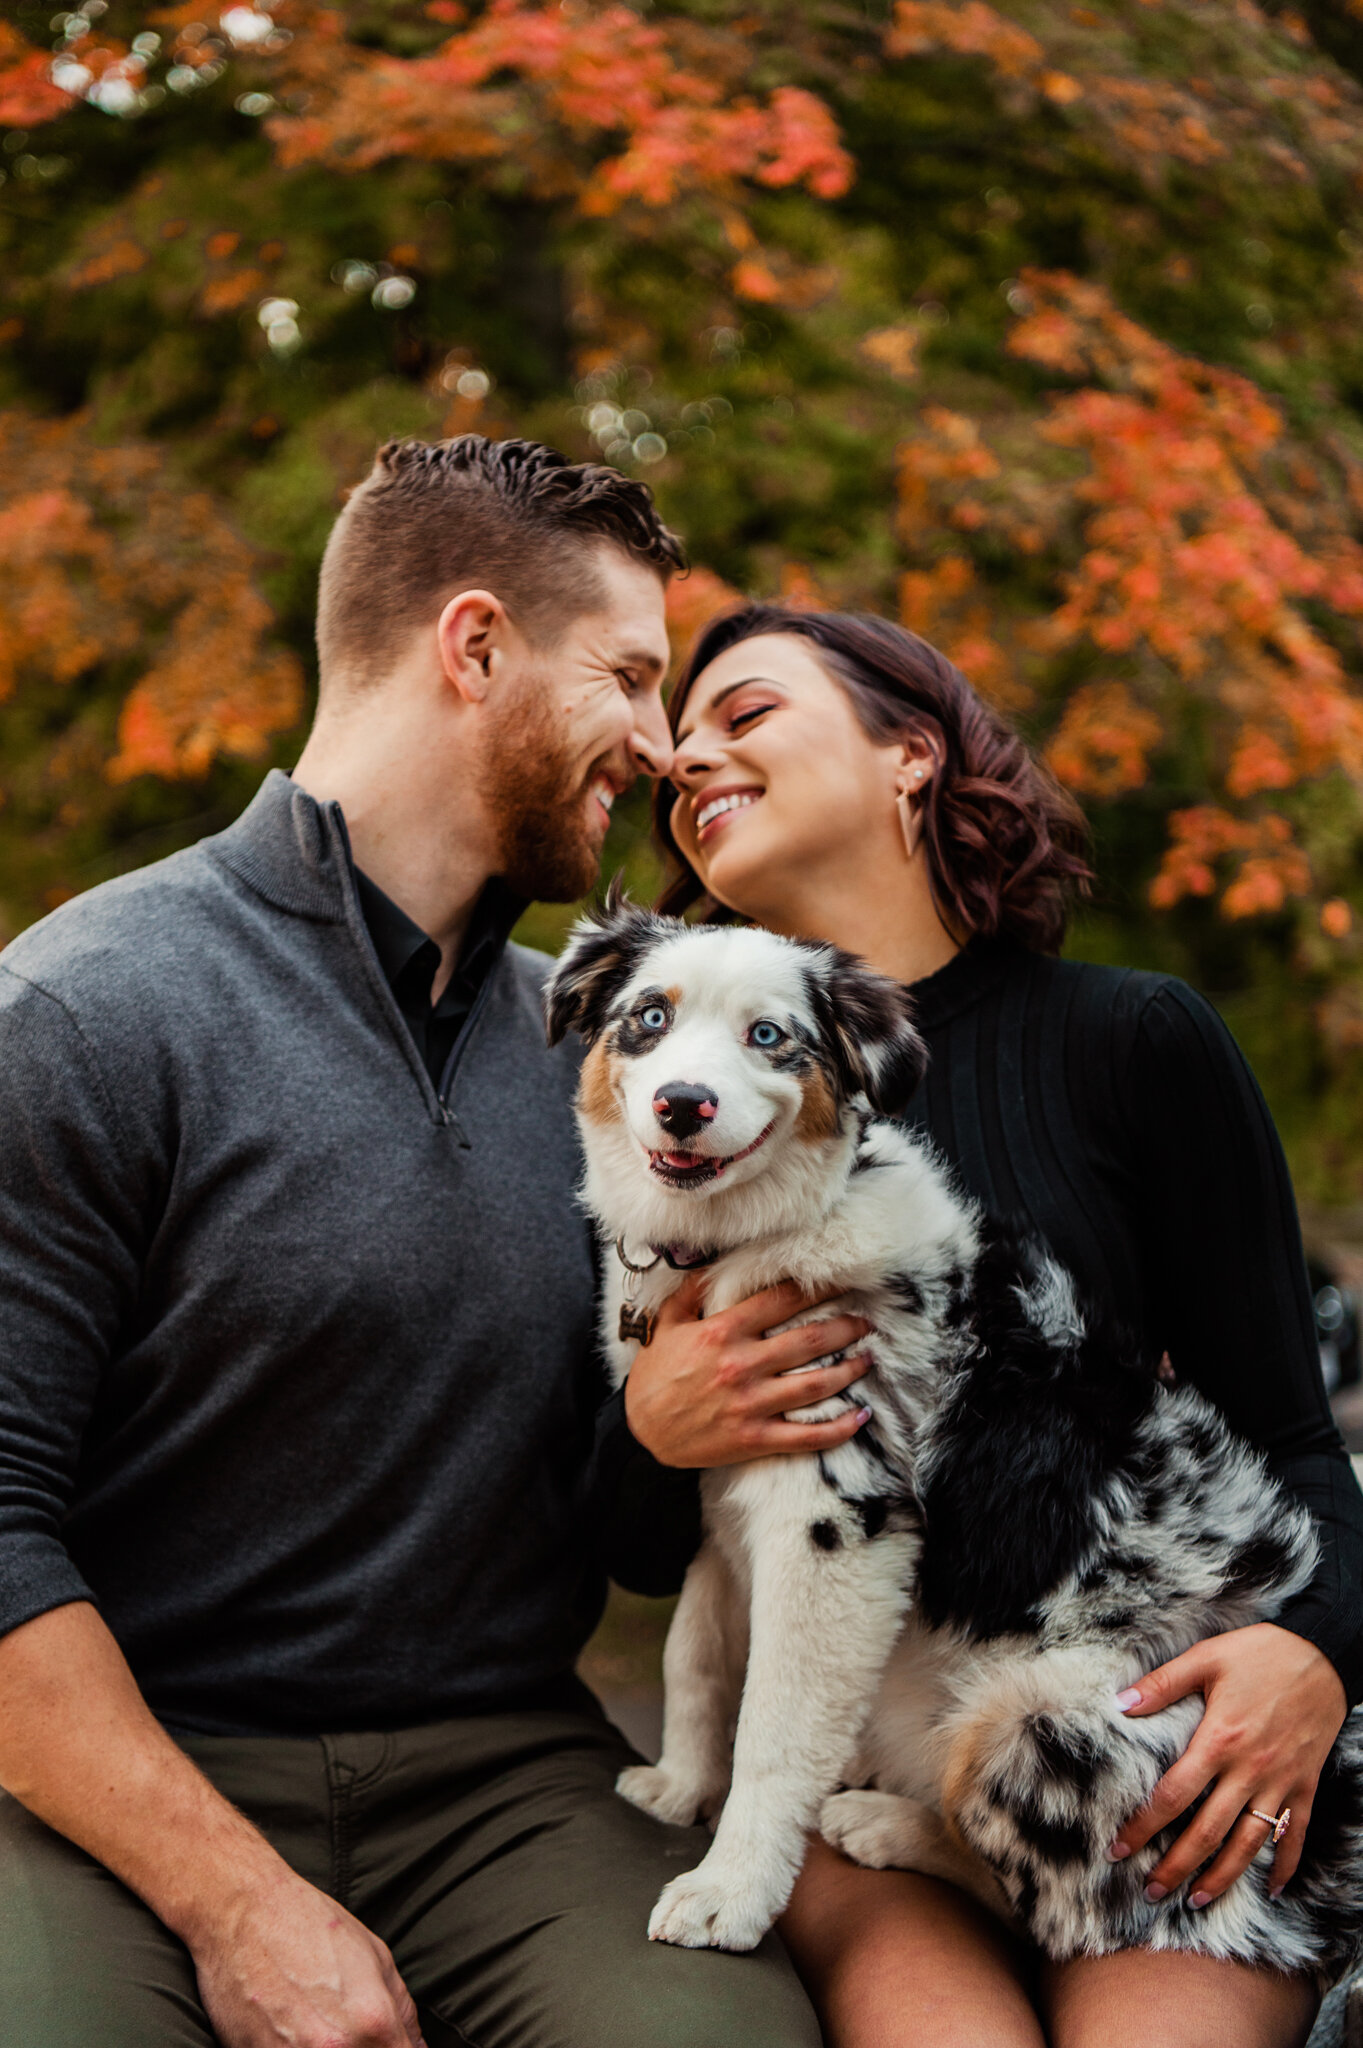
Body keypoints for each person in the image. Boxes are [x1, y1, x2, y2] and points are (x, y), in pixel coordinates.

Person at [0, 442, 879, 2048]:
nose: (662, 742)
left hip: (506, 1772)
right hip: (134, 1776)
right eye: (627, 675)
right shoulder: (86, 1010)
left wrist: (668, 1426)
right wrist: (237, 1905)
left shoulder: (615, 1057)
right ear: (474, 648)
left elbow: (629, 1514)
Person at [631, 600, 1363, 2048]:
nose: (687, 754)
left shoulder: (1132, 1041)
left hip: (1125, 1723)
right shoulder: (669, 1101)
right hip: (849, 1765)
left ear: (911, 755)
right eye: (678, 739)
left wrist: (1317, 1657)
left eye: (745, 712)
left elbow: (1294, 1442)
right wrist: (653, 1425)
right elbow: (634, 1546)